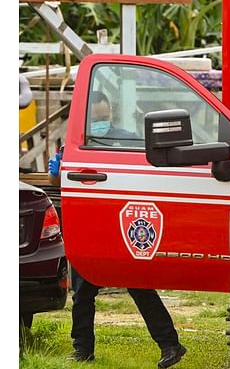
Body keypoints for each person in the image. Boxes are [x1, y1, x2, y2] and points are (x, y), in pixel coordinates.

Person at [48, 92, 186, 368]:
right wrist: (56, 169)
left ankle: (170, 344)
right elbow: (57, 180)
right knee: (83, 292)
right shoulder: (74, 146)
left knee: (139, 284)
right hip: (90, 226)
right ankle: (82, 350)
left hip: (119, 222)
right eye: (96, 118)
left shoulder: (125, 139)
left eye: (104, 116)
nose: (100, 121)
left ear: (110, 112)